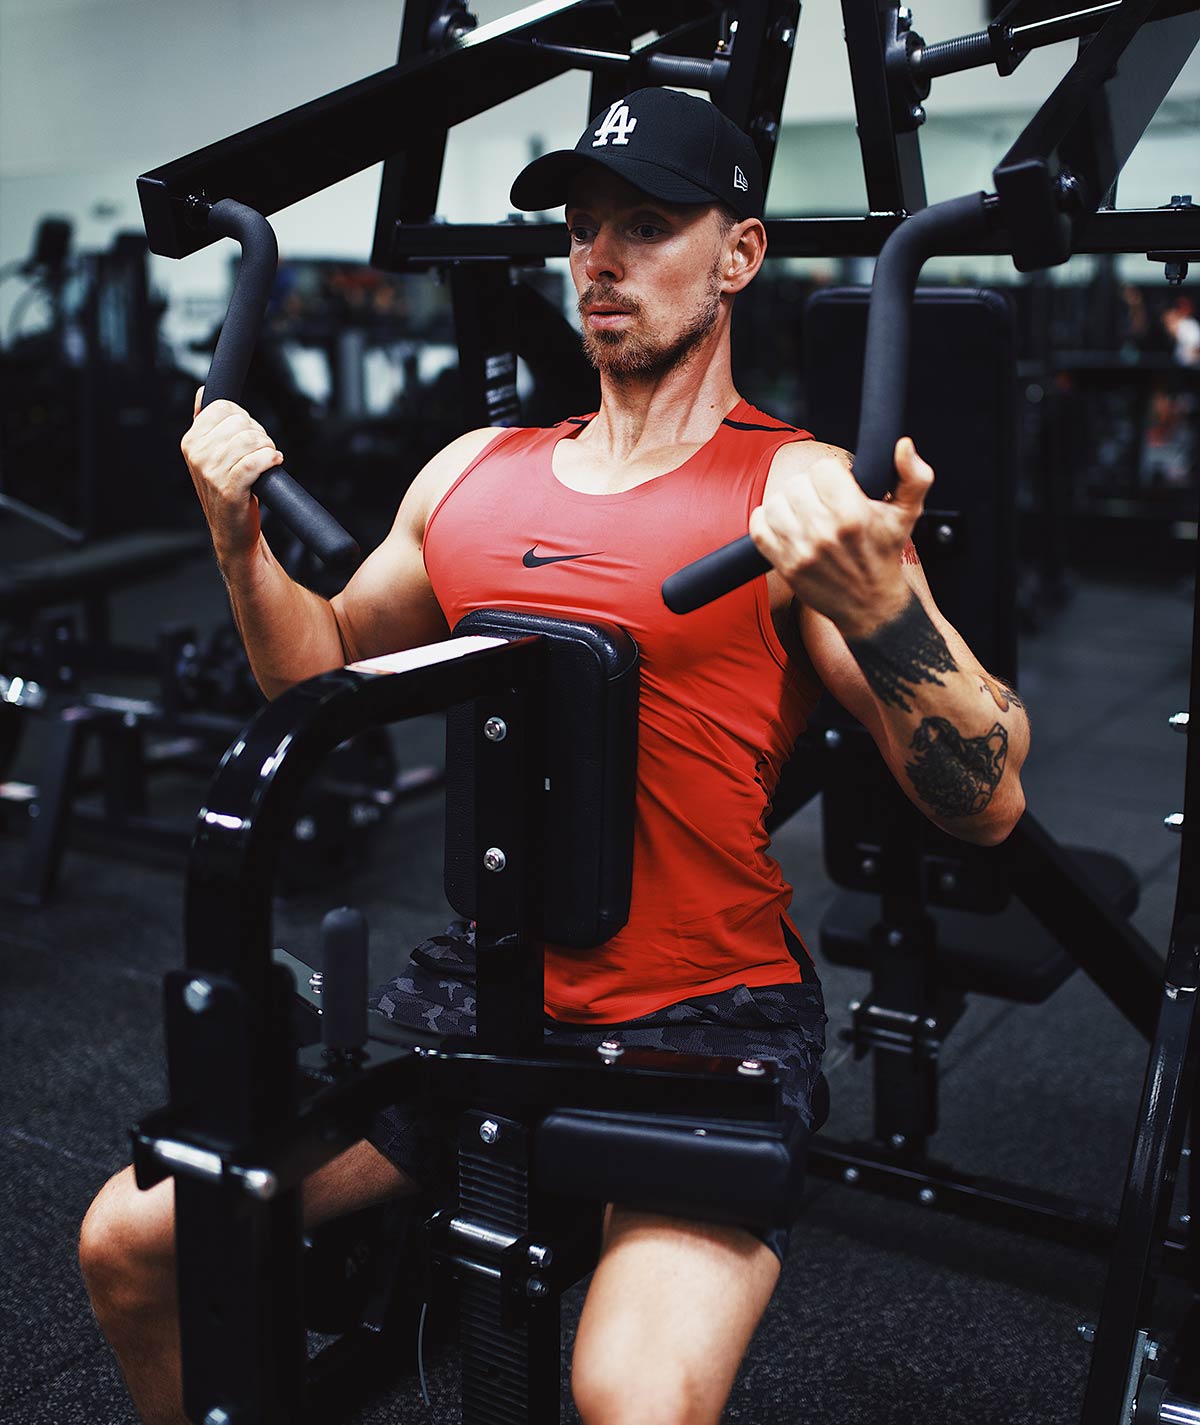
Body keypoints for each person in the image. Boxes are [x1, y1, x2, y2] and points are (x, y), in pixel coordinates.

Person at [78, 88, 1029, 1425]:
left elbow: (988, 801)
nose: (601, 260)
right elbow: (324, 670)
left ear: (739, 256)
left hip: (706, 1014)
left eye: (646, 226)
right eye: (584, 230)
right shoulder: (474, 470)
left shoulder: (800, 492)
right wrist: (238, 540)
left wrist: (883, 607)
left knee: (630, 1396)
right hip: (486, 994)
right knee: (130, 1243)